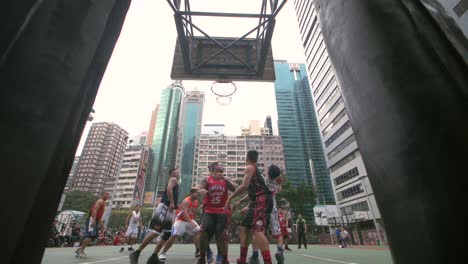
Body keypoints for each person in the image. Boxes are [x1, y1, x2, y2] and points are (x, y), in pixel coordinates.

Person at [225, 150, 273, 264]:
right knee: (245, 228)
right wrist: (240, 201)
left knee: (258, 231)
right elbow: (253, 191)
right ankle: (242, 259)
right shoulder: (257, 171)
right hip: (261, 200)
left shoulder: (250, 168)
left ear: (247, 158)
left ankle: (267, 261)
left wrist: (230, 197)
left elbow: (244, 185)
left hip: (262, 201)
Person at [235, 164, 284, 264]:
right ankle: (280, 251)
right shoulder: (275, 184)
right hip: (272, 208)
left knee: (258, 232)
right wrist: (280, 183)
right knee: (278, 234)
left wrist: (243, 203)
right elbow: (279, 190)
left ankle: (255, 255)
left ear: (268, 172)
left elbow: (252, 195)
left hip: (261, 207)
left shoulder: (262, 181)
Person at [129, 168, 180, 264]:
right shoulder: (173, 179)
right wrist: (172, 202)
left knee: (166, 234)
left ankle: (153, 257)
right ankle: (136, 253)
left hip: (169, 210)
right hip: (165, 207)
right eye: (177, 172)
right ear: (172, 173)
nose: (178, 173)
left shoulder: (176, 182)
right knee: (156, 232)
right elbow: (169, 188)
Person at [197, 162, 237, 264]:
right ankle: (202, 258)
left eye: (221, 171)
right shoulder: (206, 179)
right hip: (209, 210)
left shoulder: (225, 179)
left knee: (222, 236)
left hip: (222, 211)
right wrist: (201, 190)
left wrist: (228, 181)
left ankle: (224, 259)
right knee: (203, 233)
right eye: (218, 171)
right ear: (213, 171)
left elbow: (235, 189)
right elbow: (200, 188)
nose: (220, 173)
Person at [158, 187, 201, 261]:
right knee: (174, 236)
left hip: (190, 219)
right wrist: (191, 222)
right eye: (196, 193)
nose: (198, 194)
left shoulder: (196, 202)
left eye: (198, 193)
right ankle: (163, 252)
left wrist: (192, 221)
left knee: (198, 231)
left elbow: (193, 212)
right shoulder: (186, 201)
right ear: (192, 193)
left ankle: (197, 251)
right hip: (181, 220)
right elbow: (184, 213)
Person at [75, 191, 110, 258]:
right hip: (92, 219)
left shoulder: (103, 203)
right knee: (90, 236)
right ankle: (81, 251)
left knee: (93, 237)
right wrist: (93, 220)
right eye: (106, 194)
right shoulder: (100, 201)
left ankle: (80, 249)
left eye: (108, 195)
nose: (108, 196)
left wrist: (102, 225)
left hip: (95, 220)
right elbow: (94, 209)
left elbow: (99, 216)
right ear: (102, 195)